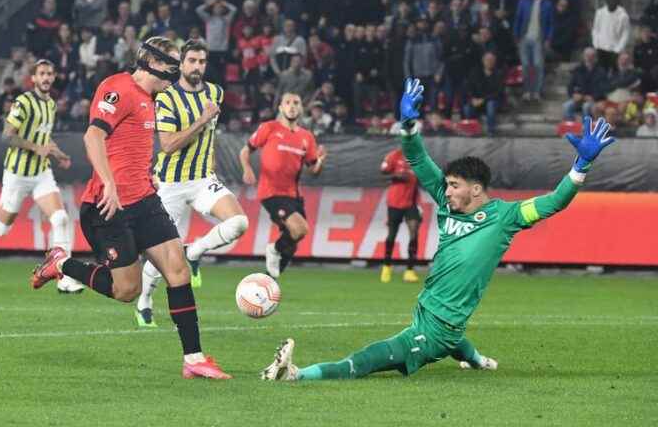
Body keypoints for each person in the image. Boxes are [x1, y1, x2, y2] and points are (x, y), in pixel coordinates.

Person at [261, 77, 616, 382]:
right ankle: (477, 360)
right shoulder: (448, 205)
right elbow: (417, 158)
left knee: (369, 358)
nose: (445, 192)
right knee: (460, 342)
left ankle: (296, 374)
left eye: (454, 185)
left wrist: (580, 167)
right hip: (429, 311)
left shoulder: (507, 216)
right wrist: (409, 125)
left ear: (476, 190)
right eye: (445, 185)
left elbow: (554, 201)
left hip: (436, 331)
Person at [29, 37, 231, 379]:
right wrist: (108, 181)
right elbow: (93, 137)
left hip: (144, 201)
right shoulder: (117, 88)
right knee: (127, 290)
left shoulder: (153, 99)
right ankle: (61, 263)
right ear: (154, 62)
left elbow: (133, 147)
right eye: (173, 62)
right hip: (107, 206)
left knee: (178, 271)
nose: (178, 69)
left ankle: (194, 359)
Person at [135, 40, 249, 328]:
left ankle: (194, 251)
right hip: (170, 184)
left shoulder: (215, 93)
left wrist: (209, 158)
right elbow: (169, 145)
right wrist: (202, 118)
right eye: (192, 61)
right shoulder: (167, 97)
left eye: (202, 61)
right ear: (181, 64)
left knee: (238, 223)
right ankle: (144, 301)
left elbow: (211, 134)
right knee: (163, 260)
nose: (197, 66)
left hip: (201, 180)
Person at [0, 59, 85, 294]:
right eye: (42, 73)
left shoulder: (50, 104)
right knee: (1, 228)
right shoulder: (23, 102)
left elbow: (44, 138)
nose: (47, 78)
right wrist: (33, 147)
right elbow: (7, 135)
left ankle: (64, 277)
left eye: (50, 74)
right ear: (34, 78)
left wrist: (58, 154)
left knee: (60, 218)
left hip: (41, 172)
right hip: (17, 174)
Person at [239, 93, 327, 279]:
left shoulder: (306, 137)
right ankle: (273, 249)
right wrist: (247, 169)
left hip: (293, 195)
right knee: (300, 229)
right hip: (271, 192)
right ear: (280, 107)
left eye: (296, 103)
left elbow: (313, 171)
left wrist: (320, 162)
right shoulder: (269, 128)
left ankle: (270, 282)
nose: (292, 106)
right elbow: (245, 150)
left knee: (293, 241)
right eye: (288, 103)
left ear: (301, 108)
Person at [379, 146, 421, 284]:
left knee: (414, 232)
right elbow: (382, 171)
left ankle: (409, 271)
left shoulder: (419, 157)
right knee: (392, 234)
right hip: (395, 202)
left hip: (411, 202)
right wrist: (396, 176)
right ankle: (386, 266)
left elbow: (421, 180)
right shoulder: (394, 155)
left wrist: (418, 204)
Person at [513, 0, 554, 101]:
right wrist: (516, 36)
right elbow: (518, 18)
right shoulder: (523, 1)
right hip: (524, 37)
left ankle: (536, 91)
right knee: (525, 65)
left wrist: (548, 39)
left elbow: (551, 23)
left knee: (538, 65)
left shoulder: (548, 4)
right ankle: (526, 91)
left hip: (539, 39)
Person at [592, 0, 630, 74]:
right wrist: (596, 44)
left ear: (617, 0)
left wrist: (618, 49)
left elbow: (625, 34)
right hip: (601, 48)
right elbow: (595, 29)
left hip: (615, 50)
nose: (611, 1)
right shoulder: (600, 13)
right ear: (606, 0)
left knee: (614, 73)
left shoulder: (623, 16)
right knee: (601, 73)